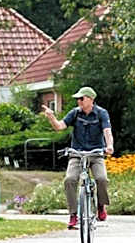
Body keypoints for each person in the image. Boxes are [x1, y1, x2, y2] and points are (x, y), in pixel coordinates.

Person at [41, 86, 114, 229]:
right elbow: (60, 126)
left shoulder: (101, 113)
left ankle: (101, 206)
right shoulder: (75, 113)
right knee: (69, 179)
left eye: (81, 98)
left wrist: (109, 146)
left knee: (102, 179)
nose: (79, 101)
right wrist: (51, 117)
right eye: (78, 99)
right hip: (77, 153)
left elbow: (107, 131)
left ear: (91, 99)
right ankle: (73, 215)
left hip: (96, 153)